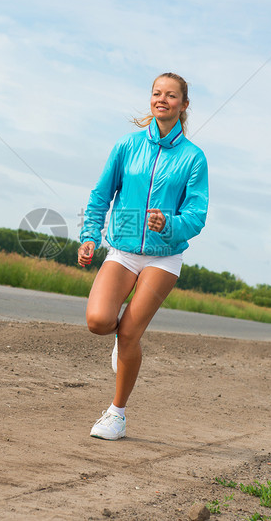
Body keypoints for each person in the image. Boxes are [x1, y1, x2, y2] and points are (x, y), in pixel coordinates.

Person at [78, 72, 209, 440]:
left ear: (183, 105)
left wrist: (168, 224)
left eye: (171, 95)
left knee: (131, 332)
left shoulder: (193, 159)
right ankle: (120, 343)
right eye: (156, 93)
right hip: (122, 250)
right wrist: (89, 236)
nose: (161, 99)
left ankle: (116, 414)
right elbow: (100, 195)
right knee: (100, 322)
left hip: (163, 257)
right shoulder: (126, 146)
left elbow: (196, 216)